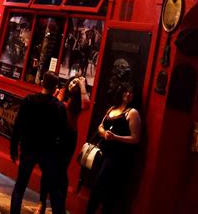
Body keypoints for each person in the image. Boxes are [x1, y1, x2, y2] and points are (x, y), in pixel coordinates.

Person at [10, 71, 67, 214]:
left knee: (20, 186)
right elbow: (62, 133)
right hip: (48, 152)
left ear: (42, 82)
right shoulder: (59, 107)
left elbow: (18, 125)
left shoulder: (29, 100)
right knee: (54, 190)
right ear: (55, 88)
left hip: (28, 148)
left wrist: (13, 148)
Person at [37, 75, 90, 214]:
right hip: (54, 133)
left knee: (61, 170)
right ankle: (42, 203)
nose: (74, 84)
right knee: (48, 168)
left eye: (77, 85)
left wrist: (83, 85)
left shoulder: (78, 101)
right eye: (73, 81)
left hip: (68, 136)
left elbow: (87, 105)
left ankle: (59, 205)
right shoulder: (60, 92)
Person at [86, 83, 141, 214]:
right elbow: (100, 126)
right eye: (126, 91)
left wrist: (116, 137)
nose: (128, 94)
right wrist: (104, 133)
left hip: (117, 157)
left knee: (102, 186)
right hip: (103, 152)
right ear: (120, 92)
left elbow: (135, 138)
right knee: (97, 185)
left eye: (131, 92)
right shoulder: (112, 109)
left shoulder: (132, 113)